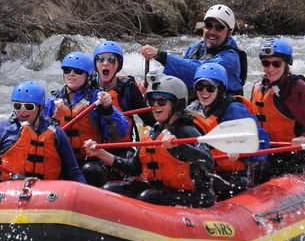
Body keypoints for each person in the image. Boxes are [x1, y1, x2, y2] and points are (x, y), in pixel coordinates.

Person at [83, 75, 216, 208]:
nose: (155, 105)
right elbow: (134, 169)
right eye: (152, 100)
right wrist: (101, 153)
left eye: (162, 101)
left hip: (194, 196)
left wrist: (179, 147)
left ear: (176, 104)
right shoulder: (154, 132)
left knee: (148, 197)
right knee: (109, 188)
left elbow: (208, 161)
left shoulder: (186, 131)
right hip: (159, 189)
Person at [0, 80, 86, 188]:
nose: (22, 110)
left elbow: (73, 172)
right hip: (8, 193)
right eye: (17, 105)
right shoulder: (2, 131)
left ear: (41, 108)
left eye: (28, 106)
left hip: (46, 195)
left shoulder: (57, 133)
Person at [44, 51, 129, 186]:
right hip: (60, 160)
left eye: (77, 71)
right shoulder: (52, 101)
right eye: (67, 70)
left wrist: (108, 110)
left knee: (92, 171)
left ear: (87, 76)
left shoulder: (98, 99)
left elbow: (119, 133)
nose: (71, 74)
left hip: (88, 161)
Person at [248, 38, 305, 177]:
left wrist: (304, 138)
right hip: (263, 153)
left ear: (286, 64)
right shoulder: (258, 87)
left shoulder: (298, 89)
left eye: (276, 64)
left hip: (291, 158)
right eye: (266, 63)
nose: (270, 68)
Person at [188, 63, 271, 199]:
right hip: (207, 171)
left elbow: (262, 141)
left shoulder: (234, 110)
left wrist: (241, 150)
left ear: (220, 89)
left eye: (210, 88)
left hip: (235, 176)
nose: (204, 92)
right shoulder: (193, 108)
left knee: (202, 186)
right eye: (199, 87)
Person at [139, 4, 247, 95]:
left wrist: (161, 56)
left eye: (219, 27)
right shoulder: (196, 47)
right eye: (209, 25)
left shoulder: (230, 59)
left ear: (229, 32)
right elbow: (177, 76)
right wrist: (153, 85)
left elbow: (199, 72)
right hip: (198, 107)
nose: (212, 32)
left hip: (223, 114)